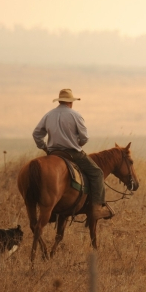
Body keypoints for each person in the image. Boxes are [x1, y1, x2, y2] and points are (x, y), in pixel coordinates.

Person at [32, 88, 115, 220]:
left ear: (59, 101)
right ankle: (96, 209)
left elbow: (36, 134)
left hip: (54, 153)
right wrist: (78, 144)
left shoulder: (48, 115)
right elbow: (84, 138)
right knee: (97, 173)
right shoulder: (75, 115)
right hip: (72, 153)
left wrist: (45, 148)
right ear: (71, 102)